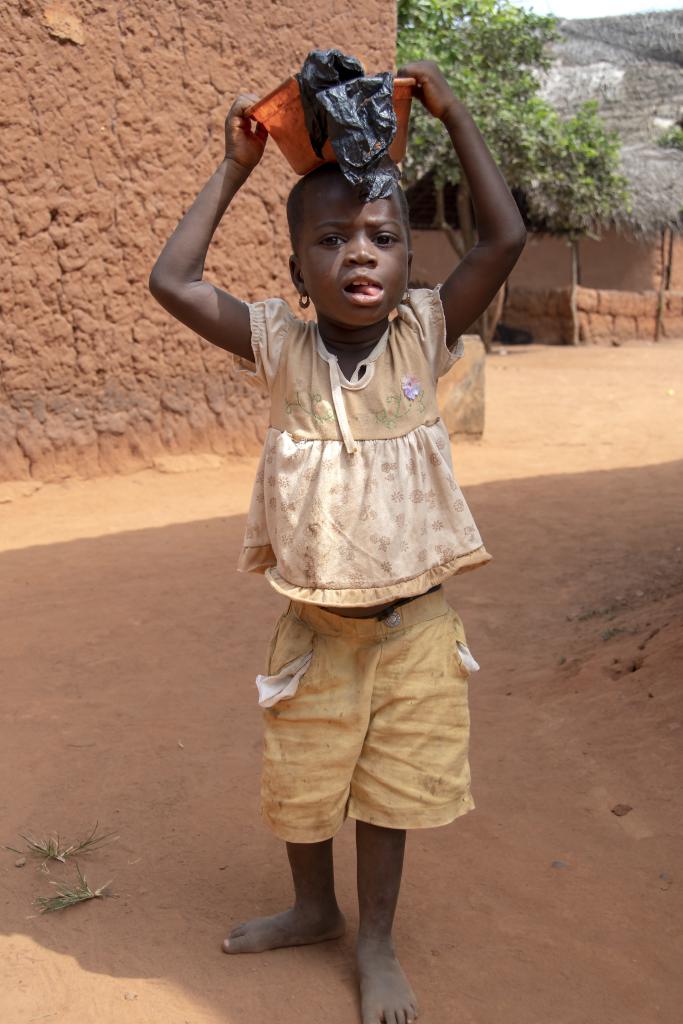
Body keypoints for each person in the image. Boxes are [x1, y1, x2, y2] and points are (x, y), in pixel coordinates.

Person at [149, 59, 526, 1024]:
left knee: (390, 788)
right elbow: (173, 280)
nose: (359, 253)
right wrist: (235, 171)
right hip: (315, 633)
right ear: (295, 272)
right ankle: (314, 908)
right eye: (331, 239)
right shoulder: (279, 345)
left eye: (382, 237)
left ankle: (376, 941)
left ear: (407, 258)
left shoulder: (425, 331)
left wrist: (452, 107)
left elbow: (506, 233)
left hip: (413, 631)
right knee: (306, 782)